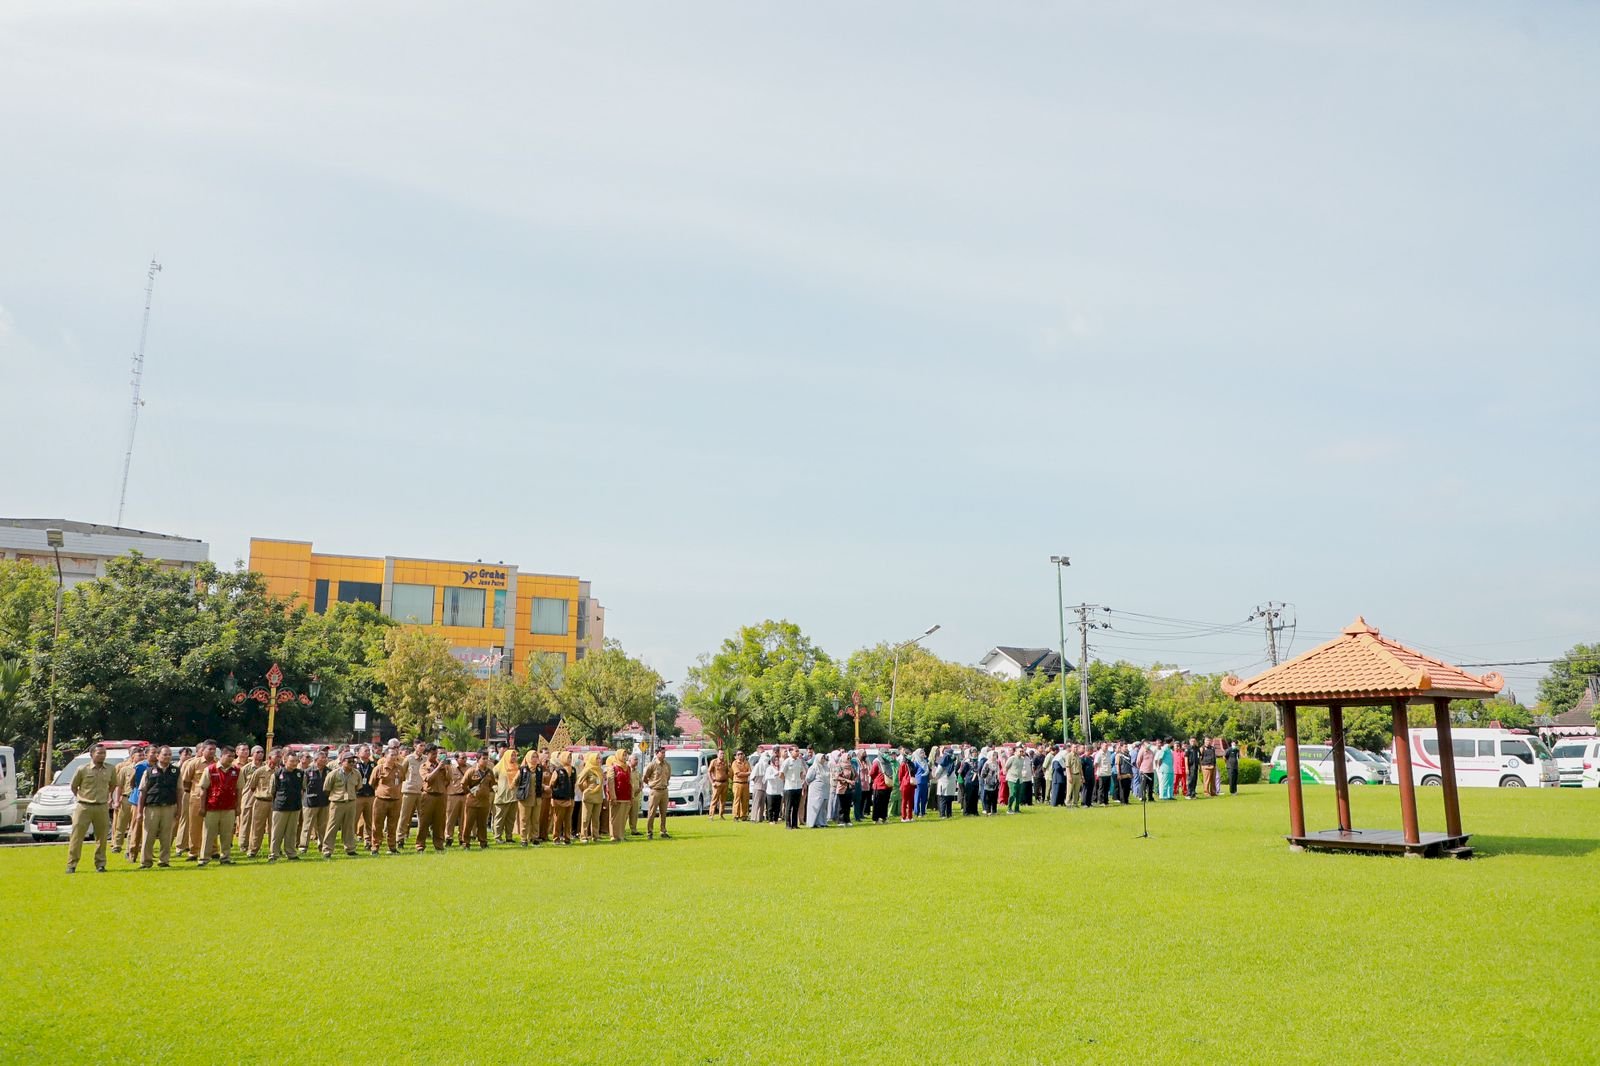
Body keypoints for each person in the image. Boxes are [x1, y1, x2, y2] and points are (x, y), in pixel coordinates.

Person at [65, 742, 118, 874]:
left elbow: (113, 785)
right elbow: (73, 786)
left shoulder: (111, 769)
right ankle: (72, 864)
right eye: (99, 753)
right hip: (84, 807)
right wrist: (81, 797)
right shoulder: (82, 769)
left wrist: (106, 797)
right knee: (77, 836)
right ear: (92, 754)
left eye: (104, 753)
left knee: (102, 837)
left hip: (101, 807)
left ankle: (100, 864)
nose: (102, 755)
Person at [197, 746, 241, 866]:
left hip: (229, 807)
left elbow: (239, 790)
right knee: (208, 835)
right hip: (212, 806)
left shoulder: (236, 771)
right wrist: (202, 807)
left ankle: (225, 858)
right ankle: (204, 859)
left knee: (227, 835)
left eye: (233, 756)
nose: (231, 758)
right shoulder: (210, 769)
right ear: (221, 756)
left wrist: (238, 806)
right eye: (229, 756)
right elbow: (203, 789)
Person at [138, 745, 180, 868]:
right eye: (165, 754)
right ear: (158, 756)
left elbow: (179, 791)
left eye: (169, 754)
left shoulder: (176, 771)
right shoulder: (149, 771)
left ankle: (164, 861)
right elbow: (143, 792)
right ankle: (146, 861)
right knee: (148, 835)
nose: (167, 757)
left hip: (169, 807)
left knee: (166, 836)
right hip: (152, 807)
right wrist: (139, 812)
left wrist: (179, 809)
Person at [322, 751, 362, 857]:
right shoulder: (333, 774)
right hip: (337, 803)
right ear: (342, 762)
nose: (352, 763)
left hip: (351, 802)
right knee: (332, 826)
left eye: (353, 761)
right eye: (349, 761)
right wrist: (336, 796)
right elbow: (326, 788)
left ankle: (350, 848)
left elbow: (358, 786)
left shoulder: (356, 773)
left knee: (349, 826)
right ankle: (327, 849)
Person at [269, 751, 306, 862]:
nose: (294, 763)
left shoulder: (300, 773)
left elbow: (303, 789)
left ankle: (291, 853)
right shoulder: (277, 774)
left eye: (296, 761)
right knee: (277, 832)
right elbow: (272, 791)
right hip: (281, 806)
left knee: (291, 832)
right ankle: (273, 854)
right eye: (291, 761)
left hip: (295, 806)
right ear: (285, 761)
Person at [369, 746, 404, 854]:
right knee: (377, 824)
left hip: (396, 800)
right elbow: (372, 783)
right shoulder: (379, 768)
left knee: (392, 825)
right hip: (381, 800)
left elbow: (402, 780)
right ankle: (375, 846)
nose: (394, 757)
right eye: (392, 755)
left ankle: (392, 847)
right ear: (385, 756)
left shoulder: (400, 768)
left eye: (396, 755)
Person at [417, 747, 450, 853]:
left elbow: (448, 779)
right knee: (424, 822)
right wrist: (437, 768)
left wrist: (445, 767)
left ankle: (439, 845)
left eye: (437, 754)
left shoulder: (442, 765)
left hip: (441, 795)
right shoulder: (424, 766)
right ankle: (420, 845)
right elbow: (428, 779)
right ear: (427, 754)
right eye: (433, 754)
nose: (436, 756)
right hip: (428, 795)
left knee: (439, 822)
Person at [111, 742, 143, 853]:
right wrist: (116, 800)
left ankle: (133, 845)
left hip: (138, 799)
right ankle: (117, 845)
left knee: (135, 824)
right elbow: (119, 786)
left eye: (143, 755)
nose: (141, 757)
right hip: (126, 798)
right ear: (133, 757)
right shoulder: (125, 769)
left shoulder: (145, 768)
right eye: (139, 755)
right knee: (121, 823)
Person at [460, 751, 496, 849]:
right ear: (477, 760)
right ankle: (465, 842)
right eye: (483, 759)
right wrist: (469, 792)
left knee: (482, 824)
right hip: (472, 802)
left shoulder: (489, 772)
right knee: (468, 823)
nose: (485, 761)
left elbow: (492, 784)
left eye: (486, 758)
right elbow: (463, 784)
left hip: (484, 802)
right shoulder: (471, 771)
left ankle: (483, 842)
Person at [299, 750, 332, 852]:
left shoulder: (329, 771)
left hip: (324, 802)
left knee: (323, 825)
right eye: (322, 758)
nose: (325, 759)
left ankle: (322, 845)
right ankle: (303, 846)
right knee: (307, 826)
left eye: (325, 758)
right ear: (316, 759)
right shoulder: (308, 772)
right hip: (310, 802)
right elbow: (303, 786)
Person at [399, 740, 427, 847]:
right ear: (415, 746)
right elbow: (402, 773)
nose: (422, 748)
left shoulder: (425, 759)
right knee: (404, 816)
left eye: (424, 746)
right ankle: (400, 838)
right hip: (409, 791)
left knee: (422, 817)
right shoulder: (409, 759)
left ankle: (420, 840)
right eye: (420, 745)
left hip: (421, 791)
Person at [493, 747, 520, 843]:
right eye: (512, 755)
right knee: (500, 818)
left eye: (515, 755)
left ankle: (509, 837)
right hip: (502, 796)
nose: (513, 757)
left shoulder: (517, 767)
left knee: (511, 819)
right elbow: (491, 779)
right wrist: (496, 788)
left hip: (513, 797)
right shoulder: (499, 767)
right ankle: (497, 837)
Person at [643, 748, 671, 840]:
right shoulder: (652, 765)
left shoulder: (667, 765)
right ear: (657, 753)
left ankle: (663, 831)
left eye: (664, 753)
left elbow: (668, 777)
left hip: (664, 790)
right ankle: (649, 832)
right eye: (662, 753)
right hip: (655, 791)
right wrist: (651, 784)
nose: (664, 754)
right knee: (652, 812)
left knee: (663, 812)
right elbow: (645, 777)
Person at [576, 752, 604, 843]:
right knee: (586, 818)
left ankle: (595, 836)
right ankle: (583, 836)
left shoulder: (600, 770)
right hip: (589, 796)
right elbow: (579, 781)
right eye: (597, 758)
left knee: (596, 818)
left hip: (598, 796)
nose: (599, 760)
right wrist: (585, 790)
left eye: (600, 758)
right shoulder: (588, 769)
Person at [549, 752, 576, 845]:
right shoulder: (558, 771)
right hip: (559, 799)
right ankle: (556, 838)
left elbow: (574, 783)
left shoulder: (573, 770)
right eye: (568, 757)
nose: (570, 759)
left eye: (570, 757)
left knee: (568, 820)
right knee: (558, 819)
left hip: (570, 797)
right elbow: (552, 784)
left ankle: (567, 838)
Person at [607, 750, 633, 842]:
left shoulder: (628, 768)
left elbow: (630, 782)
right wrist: (613, 796)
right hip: (617, 796)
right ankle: (614, 836)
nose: (625, 757)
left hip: (626, 796)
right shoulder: (613, 768)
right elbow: (610, 783)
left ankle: (621, 835)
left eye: (626, 755)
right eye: (623, 755)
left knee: (623, 817)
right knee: (615, 818)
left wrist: (631, 796)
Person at [354, 745, 377, 848]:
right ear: (358, 753)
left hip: (370, 796)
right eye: (365, 751)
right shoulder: (355, 765)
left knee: (369, 820)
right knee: (354, 819)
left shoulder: (373, 765)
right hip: (358, 796)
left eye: (369, 751)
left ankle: (368, 840)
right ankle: (351, 840)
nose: (368, 752)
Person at [805, 752, 831, 828]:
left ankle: (822, 822)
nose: (823, 760)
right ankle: (814, 822)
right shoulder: (814, 767)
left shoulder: (825, 767)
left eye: (824, 758)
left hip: (825, 789)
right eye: (822, 758)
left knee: (823, 806)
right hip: (816, 790)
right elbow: (808, 778)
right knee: (816, 805)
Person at [782, 748, 805, 829]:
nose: (798, 752)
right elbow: (781, 773)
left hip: (798, 786)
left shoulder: (799, 761)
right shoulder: (787, 761)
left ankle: (795, 825)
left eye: (798, 751)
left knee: (796, 807)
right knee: (788, 807)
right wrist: (785, 781)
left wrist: (802, 779)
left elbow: (802, 771)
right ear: (791, 752)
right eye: (796, 751)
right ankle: (788, 825)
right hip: (789, 787)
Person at [833, 753, 855, 826]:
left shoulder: (851, 766)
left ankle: (847, 820)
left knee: (848, 805)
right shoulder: (839, 766)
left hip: (850, 788)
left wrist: (854, 780)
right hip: (842, 788)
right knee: (842, 805)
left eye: (850, 758)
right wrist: (847, 780)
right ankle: (841, 820)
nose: (849, 760)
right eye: (848, 758)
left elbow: (855, 775)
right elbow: (836, 777)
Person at [1005, 747, 1028, 814]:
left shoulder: (1022, 759)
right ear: (1015, 752)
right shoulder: (1012, 758)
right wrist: (1008, 774)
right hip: (1012, 778)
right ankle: (1009, 808)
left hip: (1019, 779)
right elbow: (1006, 767)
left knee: (1018, 794)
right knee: (1013, 793)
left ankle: (1016, 809)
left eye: (1022, 751)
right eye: (1020, 751)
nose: (1021, 752)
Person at [707, 749, 729, 819]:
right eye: (721, 754)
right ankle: (711, 815)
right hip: (717, 783)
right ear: (717, 754)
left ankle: (721, 815)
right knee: (714, 800)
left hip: (724, 783)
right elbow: (709, 772)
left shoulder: (725, 762)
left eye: (723, 754)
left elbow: (728, 772)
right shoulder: (714, 762)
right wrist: (712, 782)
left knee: (723, 800)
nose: (722, 755)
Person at [731, 751, 751, 821]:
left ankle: (744, 815)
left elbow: (750, 772)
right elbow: (738, 774)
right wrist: (746, 773)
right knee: (737, 800)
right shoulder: (735, 763)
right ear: (736, 756)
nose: (740, 755)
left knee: (745, 800)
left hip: (745, 783)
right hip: (737, 783)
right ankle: (735, 815)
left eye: (741, 754)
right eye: (738, 754)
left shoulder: (746, 763)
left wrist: (745, 773)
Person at [764, 753, 784, 825]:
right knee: (770, 806)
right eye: (775, 760)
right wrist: (774, 775)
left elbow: (783, 778)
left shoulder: (781, 768)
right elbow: (767, 777)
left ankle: (776, 819)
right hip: (771, 790)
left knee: (777, 806)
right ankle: (770, 820)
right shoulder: (769, 768)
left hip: (779, 790)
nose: (777, 761)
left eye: (778, 760)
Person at [749, 750, 768, 823]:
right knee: (756, 802)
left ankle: (759, 818)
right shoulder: (758, 765)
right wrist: (756, 781)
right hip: (758, 784)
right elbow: (753, 776)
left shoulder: (766, 765)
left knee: (761, 803)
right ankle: (753, 817)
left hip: (763, 785)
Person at [897, 754, 916, 822]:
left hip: (911, 784)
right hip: (906, 784)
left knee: (910, 801)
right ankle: (904, 817)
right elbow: (900, 775)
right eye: (909, 754)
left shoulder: (912, 764)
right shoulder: (903, 764)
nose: (911, 755)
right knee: (904, 801)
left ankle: (910, 817)